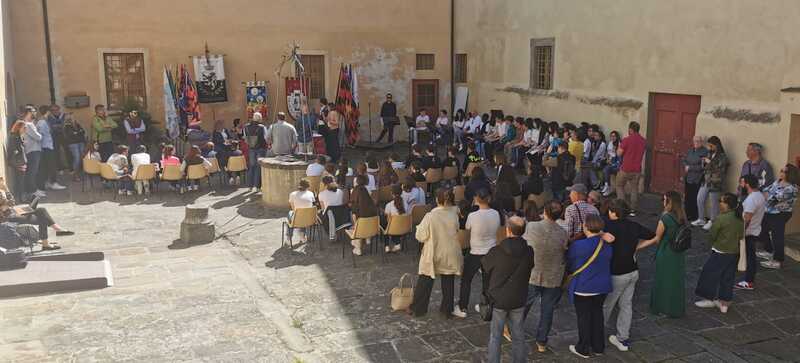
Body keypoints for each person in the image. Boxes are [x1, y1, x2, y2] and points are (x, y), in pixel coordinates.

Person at [602, 199, 654, 351]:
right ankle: (622, 338)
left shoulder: (608, 226)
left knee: (606, 305)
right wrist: (636, 247)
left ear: (613, 212)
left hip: (616, 273)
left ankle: (596, 334)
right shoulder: (633, 225)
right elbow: (652, 236)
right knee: (626, 305)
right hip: (632, 271)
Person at [483, 216, 534, 363]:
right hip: (519, 296)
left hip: (499, 298)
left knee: (495, 336)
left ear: (508, 230)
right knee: (518, 334)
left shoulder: (496, 251)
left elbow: (485, 267)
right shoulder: (529, 251)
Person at [522, 200, 568, 353]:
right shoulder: (563, 233)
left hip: (534, 272)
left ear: (545, 212)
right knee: (547, 310)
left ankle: (514, 329)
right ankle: (541, 341)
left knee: (524, 305)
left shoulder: (532, 226)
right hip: (553, 276)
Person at [408, 188, 461, 317]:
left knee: (425, 279)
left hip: (434, 251)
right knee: (448, 280)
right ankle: (446, 309)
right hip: (450, 251)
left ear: (437, 199)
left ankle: (418, 308)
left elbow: (420, 236)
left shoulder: (430, 216)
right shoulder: (455, 213)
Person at [566, 214, 613, 359]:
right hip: (602, 286)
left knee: (584, 318)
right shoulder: (607, 244)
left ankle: (583, 348)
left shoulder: (578, 246)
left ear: (585, 226)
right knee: (597, 316)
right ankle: (598, 346)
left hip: (584, 286)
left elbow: (570, 263)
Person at [637, 191, 687, 318]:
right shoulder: (681, 216)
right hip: (678, 254)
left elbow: (657, 238)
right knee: (675, 281)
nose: (662, 202)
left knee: (662, 280)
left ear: (669, 202)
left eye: (664, 199)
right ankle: (674, 308)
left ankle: (661, 307)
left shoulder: (665, 218)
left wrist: (639, 246)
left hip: (666, 252)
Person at [455, 188, 501, 318]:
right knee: (487, 281)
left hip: (476, 251)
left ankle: (463, 307)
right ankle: (486, 306)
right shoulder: (496, 214)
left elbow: (467, 227)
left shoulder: (472, 216)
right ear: (489, 199)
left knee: (466, 280)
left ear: (476, 199)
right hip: (491, 251)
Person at [694, 193, 743, 314]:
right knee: (728, 277)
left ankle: (708, 299)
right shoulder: (739, 218)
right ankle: (724, 303)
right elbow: (741, 235)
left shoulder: (721, 218)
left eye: (721, 201)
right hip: (733, 253)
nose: (719, 203)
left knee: (709, 274)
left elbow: (712, 235)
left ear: (727, 204)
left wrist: (712, 244)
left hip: (720, 252)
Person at [1, 179, 73, 251]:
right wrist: (5, 189)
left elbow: (10, 203)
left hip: (13, 213)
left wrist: (5, 190)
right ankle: (55, 232)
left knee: (41, 212)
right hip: (7, 218)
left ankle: (48, 239)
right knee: (41, 214)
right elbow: (11, 203)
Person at [758, 164, 799, 269]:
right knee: (762, 230)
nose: (781, 173)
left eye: (784, 171)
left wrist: (768, 195)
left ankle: (778, 260)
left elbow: (772, 199)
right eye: (781, 170)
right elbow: (765, 190)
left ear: (790, 174)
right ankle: (769, 251)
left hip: (780, 214)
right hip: (769, 211)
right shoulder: (778, 182)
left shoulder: (792, 188)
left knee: (777, 237)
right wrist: (768, 195)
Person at [735, 175, 767, 291]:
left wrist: (740, 233)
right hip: (753, 231)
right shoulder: (758, 195)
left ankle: (749, 281)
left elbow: (747, 219)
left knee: (750, 257)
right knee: (749, 256)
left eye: (742, 183)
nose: (740, 185)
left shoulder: (752, 199)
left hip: (748, 233)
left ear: (747, 184)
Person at [692, 136, 728, 231]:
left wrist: (710, 162)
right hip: (706, 180)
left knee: (714, 203)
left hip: (716, 182)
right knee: (699, 199)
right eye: (709, 145)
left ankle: (712, 221)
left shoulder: (723, 156)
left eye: (711, 146)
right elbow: (706, 167)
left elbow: (721, 170)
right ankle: (701, 219)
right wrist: (704, 162)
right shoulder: (709, 153)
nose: (709, 147)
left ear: (717, 145)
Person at [615, 121, 646, 216]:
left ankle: (622, 207)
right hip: (637, 169)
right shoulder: (643, 141)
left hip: (625, 168)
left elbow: (619, 153)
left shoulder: (626, 140)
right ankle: (633, 210)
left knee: (619, 185)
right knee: (634, 189)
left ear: (630, 129)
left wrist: (619, 148)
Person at [36, 106, 65, 191]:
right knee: (51, 166)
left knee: (47, 166)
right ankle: (53, 183)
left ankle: (48, 182)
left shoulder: (43, 121)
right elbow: (40, 135)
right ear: (48, 112)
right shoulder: (42, 122)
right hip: (46, 147)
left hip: (47, 146)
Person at [349, 175, 378, 256]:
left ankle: (358, 248)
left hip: (360, 222)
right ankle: (367, 237)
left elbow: (353, 207)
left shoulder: (355, 191)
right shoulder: (366, 190)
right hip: (371, 223)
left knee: (354, 221)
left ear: (356, 181)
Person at [682, 136, 709, 222]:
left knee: (695, 198)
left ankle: (695, 217)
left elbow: (703, 167)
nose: (696, 143)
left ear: (701, 142)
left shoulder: (705, 152)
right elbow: (684, 160)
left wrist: (690, 167)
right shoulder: (690, 150)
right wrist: (685, 165)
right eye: (695, 141)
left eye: (698, 141)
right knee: (687, 198)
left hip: (697, 179)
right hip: (688, 178)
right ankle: (687, 215)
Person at [243, 112, 269, 192]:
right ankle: (257, 186)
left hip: (251, 148)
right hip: (261, 148)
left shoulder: (246, 127)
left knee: (251, 166)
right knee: (258, 167)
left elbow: (245, 138)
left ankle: (249, 186)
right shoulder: (262, 127)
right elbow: (266, 138)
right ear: (260, 119)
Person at [287, 179, 316, 244]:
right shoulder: (311, 193)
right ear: (308, 186)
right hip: (309, 220)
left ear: (299, 185)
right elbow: (313, 204)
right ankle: (302, 235)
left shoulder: (292, 194)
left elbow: (293, 208)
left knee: (290, 214)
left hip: (297, 219)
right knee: (304, 213)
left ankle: (289, 237)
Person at [7, 121, 28, 200]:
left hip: (21, 161)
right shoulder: (14, 137)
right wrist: (19, 163)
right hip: (18, 162)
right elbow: (14, 150)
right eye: (24, 127)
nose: (25, 129)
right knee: (19, 181)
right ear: (18, 127)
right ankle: (18, 198)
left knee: (20, 181)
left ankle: (20, 198)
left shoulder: (19, 136)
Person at [63, 114, 86, 181]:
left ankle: (79, 173)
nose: (73, 118)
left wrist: (76, 132)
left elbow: (83, 131)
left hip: (81, 142)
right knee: (77, 158)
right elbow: (70, 134)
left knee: (81, 158)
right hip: (73, 144)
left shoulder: (77, 124)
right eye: (71, 117)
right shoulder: (66, 126)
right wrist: (78, 132)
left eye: (73, 117)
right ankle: (75, 175)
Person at [46, 104, 68, 173]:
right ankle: (59, 167)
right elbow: (52, 126)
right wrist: (60, 125)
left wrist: (59, 125)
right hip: (54, 136)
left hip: (64, 135)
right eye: (53, 110)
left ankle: (69, 166)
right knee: (56, 152)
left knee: (67, 150)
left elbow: (65, 125)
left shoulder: (63, 115)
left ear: (59, 109)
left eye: (56, 109)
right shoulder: (49, 117)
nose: (55, 111)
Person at [601, 130, 621, 197]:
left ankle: (607, 186)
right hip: (610, 160)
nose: (613, 137)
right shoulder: (610, 143)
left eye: (614, 136)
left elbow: (619, 157)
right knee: (602, 167)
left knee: (606, 169)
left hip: (616, 162)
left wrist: (615, 151)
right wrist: (607, 159)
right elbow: (608, 153)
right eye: (611, 136)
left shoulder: (619, 144)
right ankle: (605, 186)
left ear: (617, 137)